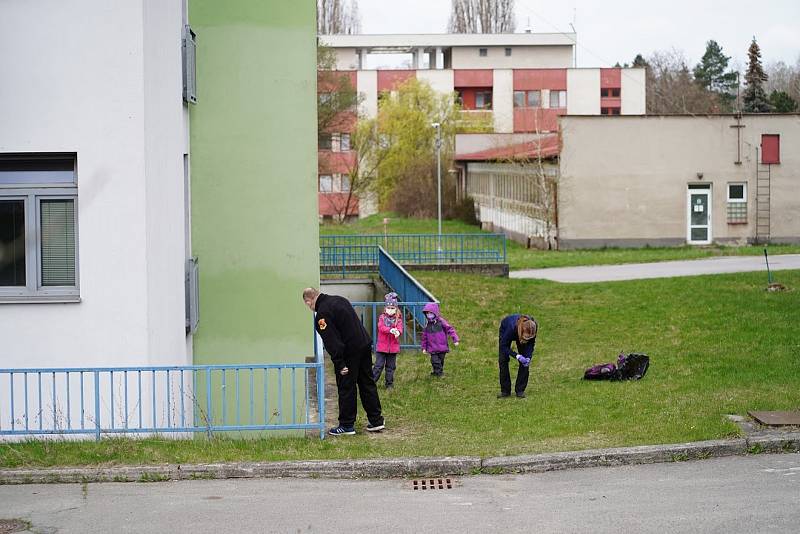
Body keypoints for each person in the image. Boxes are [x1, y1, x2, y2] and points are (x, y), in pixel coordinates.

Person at [303, 287, 385, 436]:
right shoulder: (339, 299)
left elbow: (331, 341)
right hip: (363, 344)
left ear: (309, 302)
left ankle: (347, 425)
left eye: (308, 305)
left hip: (349, 352)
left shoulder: (322, 314)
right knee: (367, 383)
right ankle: (376, 420)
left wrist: (340, 363)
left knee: (346, 387)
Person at [497, 314, 539, 398]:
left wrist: (528, 357)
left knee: (525, 362)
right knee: (503, 360)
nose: (526, 340)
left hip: (521, 332)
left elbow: (531, 344)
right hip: (507, 331)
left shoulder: (533, 327)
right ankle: (505, 391)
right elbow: (503, 346)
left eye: (528, 338)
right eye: (525, 337)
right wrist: (516, 356)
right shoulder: (510, 328)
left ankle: (520, 390)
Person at [373, 292, 403, 390]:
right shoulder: (382, 318)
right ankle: (371, 382)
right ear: (385, 308)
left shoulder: (398, 320)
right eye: (388, 308)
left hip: (393, 348)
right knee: (378, 366)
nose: (390, 310)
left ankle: (389, 384)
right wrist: (390, 330)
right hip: (382, 348)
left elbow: (400, 328)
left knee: (390, 367)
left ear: (396, 309)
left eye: (392, 308)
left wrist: (398, 332)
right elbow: (381, 328)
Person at [420, 302, 459, 377]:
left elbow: (450, 329)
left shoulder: (441, 322)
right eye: (427, 313)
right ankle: (439, 374)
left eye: (430, 313)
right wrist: (424, 347)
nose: (429, 315)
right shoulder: (427, 325)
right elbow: (424, 338)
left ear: (435, 313)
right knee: (434, 361)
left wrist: (455, 339)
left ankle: (436, 372)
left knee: (440, 361)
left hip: (442, 347)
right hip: (432, 348)